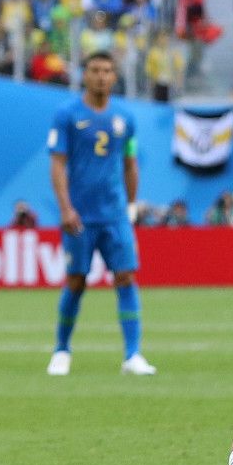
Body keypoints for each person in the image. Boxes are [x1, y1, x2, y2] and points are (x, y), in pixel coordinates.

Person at [46, 52, 155, 377]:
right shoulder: (67, 114)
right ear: (85, 74)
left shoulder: (125, 117)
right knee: (77, 281)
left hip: (115, 215)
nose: (101, 76)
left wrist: (131, 206)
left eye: (107, 71)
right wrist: (65, 207)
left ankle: (132, 355)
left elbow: (130, 163)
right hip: (79, 216)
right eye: (95, 70)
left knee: (125, 277)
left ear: (114, 75)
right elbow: (57, 163)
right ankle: (62, 351)